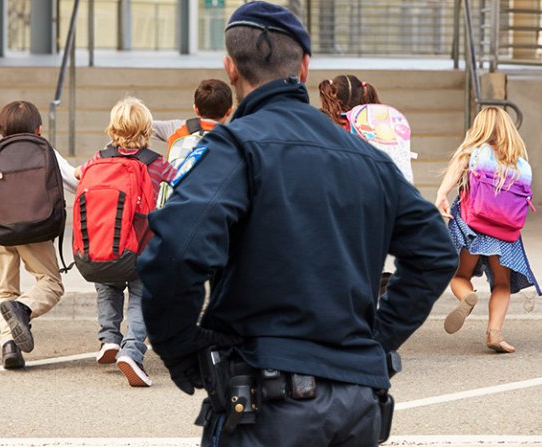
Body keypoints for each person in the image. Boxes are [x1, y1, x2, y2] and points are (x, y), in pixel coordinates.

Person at [138, 2, 458, 446]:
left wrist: (180, 349)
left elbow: (175, 251)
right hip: (356, 405)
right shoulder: (366, 158)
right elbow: (436, 252)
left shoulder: (235, 148)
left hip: (268, 408)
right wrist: (375, 340)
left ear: (230, 70)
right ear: (304, 67)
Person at [74, 96, 176, 387]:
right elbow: (182, 181)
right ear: (147, 130)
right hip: (142, 249)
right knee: (142, 296)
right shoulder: (155, 163)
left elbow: (78, 173)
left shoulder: (100, 158)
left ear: (113, 129)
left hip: (103, 247)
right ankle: (132, 351)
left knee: (107, 286)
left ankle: (108, 337)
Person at [434, 107, 540, 354]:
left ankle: (467, 297)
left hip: (473, 225)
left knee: (460, 275)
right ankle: (495, 334)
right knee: (502, 283)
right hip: (505, 231)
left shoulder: (473, 152)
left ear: (480, 127)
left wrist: (441, 194)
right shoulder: (519, 162)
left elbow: (454, 171)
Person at [0, 100, 78, 370]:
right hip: (34, 227)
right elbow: (76, 183)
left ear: (0, 128)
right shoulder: (44, 150)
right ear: (39, 128)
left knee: (5, 290)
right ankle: (23, 309)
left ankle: (9, 345)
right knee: (51, 283)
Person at [152, 78, 234, 145]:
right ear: (229, 110)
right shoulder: (234, 139)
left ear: (196, 109)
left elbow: (142, 124)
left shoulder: (176, 128)